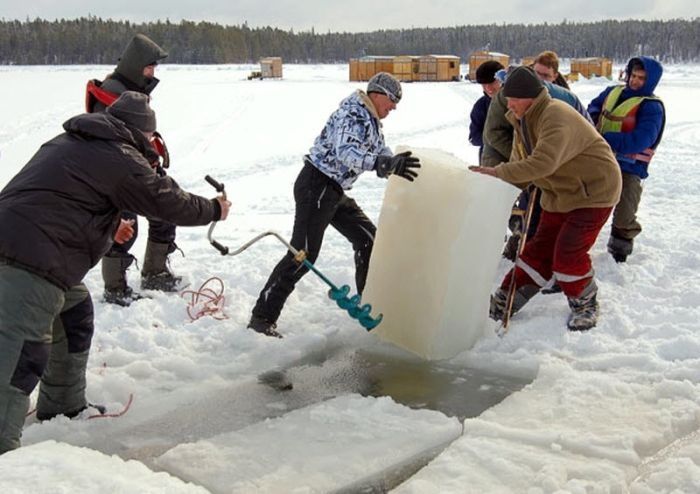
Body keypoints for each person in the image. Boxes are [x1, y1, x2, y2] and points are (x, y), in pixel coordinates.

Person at [0, 91, 231, 454]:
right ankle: (7, 465)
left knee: (74, 312)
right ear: (143, 134)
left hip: (25, 246)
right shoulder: (119, 154)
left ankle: (63, 404)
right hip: (26, 261)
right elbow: (165, 199)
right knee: (18, 361)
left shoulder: (73, 141)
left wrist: (108, 233)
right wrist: (213, 209)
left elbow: (66, 204)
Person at [247, 72, 421, 338]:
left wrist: (391, 161)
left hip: (334, 190)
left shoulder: (371, 120)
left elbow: (379, 149)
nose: (394, 106)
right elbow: (347, 152)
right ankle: (262, 318)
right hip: (316, 185)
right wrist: (380, 164)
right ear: (377, 94)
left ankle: (368, 300)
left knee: (368, 239)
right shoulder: (353, 114)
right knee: (303, 253)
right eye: (393, 100)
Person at [470, 66, 621, 331]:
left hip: (593, 191)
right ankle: (507, 299)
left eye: (513, 99)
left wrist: (499, 171)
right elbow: (519, 163)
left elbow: (542, 163)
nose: (509, 105)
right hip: (558, 192)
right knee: (537, 250)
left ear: (529, 96)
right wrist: (493, 190)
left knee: (567, 253)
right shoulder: (522, 119)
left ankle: (585, 302)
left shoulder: (555, 115)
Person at [86, 33, 177, 305]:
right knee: (125, 226)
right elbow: (112, 141)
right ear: (137, 65)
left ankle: (155, 272)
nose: (152, 73)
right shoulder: (114, 91)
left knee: (165, 211)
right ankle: (115, 289)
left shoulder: (130, 87)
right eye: (150, 67)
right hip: (116, 173)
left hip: (138, 164)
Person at [483, 65, 592, 263]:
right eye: (539, 74)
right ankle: (521, 243)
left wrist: (536, 161)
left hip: (556, 166)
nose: (542, 79)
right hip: (510, 157)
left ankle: (548, 257)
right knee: (524, 205)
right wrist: (522, 165)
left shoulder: (563, 99)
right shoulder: (508, 98)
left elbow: (587, 129)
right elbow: (494, 134)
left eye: (545, 75)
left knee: (553, 211)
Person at [587, 56, 665, 263]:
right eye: (633, 75)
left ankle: (619, 251)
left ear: (650, 81)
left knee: (624, 214)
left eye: (641, 78)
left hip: (628, 167)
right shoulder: (612, 92)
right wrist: (593, 119)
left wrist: (606, 139)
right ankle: (578, 243)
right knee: (585, 203)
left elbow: (641, 140)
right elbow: (593, 107)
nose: (635, 81)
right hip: (600, 160)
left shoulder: (652, 107)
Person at [468, 60, 504, 163]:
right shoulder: (480, 106)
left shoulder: (517, 101)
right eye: (484, 84)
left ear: (502, 80)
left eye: (492, 82)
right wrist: (493, 138)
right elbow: (473, 137)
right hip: (489, 162)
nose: (488, 88)